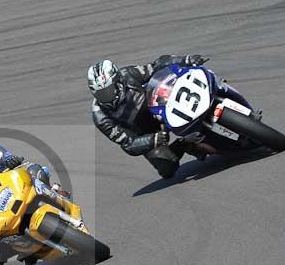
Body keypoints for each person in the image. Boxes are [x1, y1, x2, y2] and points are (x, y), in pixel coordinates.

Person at [88, 54, 229, 179]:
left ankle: (218, 90)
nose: (106, 97)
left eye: (107, 91)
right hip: (143, 131)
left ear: (117, 81)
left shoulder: (128, 74)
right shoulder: (100, 116)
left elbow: (156, 65)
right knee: (167, 169)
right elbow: (128, 144)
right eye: (100, 94)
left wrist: (185, 60)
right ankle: (186, 144)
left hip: (156, 105)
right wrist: (152, 140)